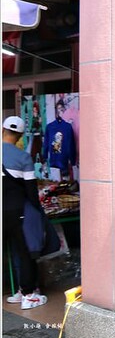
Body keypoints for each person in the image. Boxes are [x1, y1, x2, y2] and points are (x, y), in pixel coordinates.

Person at [3, 116, 48, 309]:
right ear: (20, 135)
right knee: (26, 252)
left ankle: (19, 292)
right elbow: (31, 192)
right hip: (17, 212)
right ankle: (28, 295)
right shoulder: (23, 158)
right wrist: (38, 211)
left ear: (2, 129)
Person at [43, 97, 76, 182]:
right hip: (59, 159)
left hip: (59, 159)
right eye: (58, 109)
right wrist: (72, 160)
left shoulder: (67, 126)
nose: (60, 112)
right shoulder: (51, 127)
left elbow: (71, 144)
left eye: (61, 109)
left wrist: (45, 156)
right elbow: (46, 142)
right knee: (59, 181)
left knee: (62, 182)